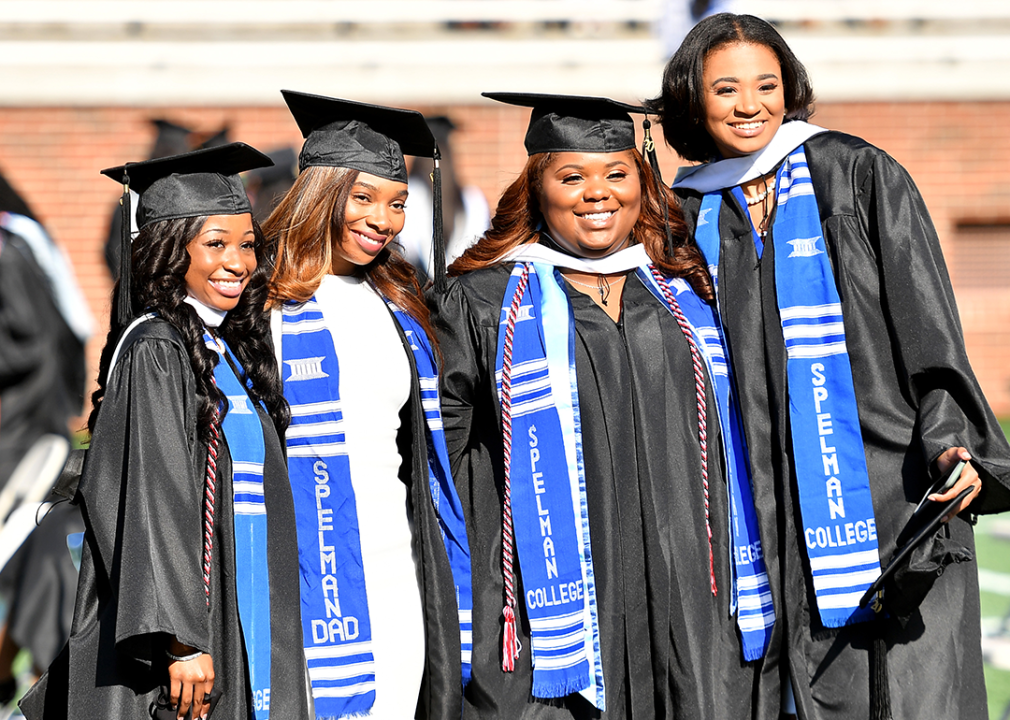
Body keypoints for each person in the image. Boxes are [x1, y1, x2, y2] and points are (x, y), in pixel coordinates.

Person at [651, 13, 1010, 719]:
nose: (748, 104)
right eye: (725, 89)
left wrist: (949, 438)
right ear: (692, 97)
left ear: (791, 89)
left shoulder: (857, 173)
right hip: (752, 499)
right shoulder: (683, 209)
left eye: (766, 85)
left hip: (885, 480)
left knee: (910, 689)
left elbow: (927, 322)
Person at [431, 92, 773, 719]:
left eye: (618, 174)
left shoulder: (686, 290)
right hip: (549, 596)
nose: (598, 192)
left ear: (642, 184)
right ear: (537, 189)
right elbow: (442, 464)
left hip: (691, 591)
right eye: (573, 176)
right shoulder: (484, 301)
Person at [20, 142, 310, 720]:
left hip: (239, 606)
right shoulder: (157, 347)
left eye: (247, 244)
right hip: (185, 638)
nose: (238, 262)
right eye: (216, 244)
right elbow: (154, 496)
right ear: (170, 251)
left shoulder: (222, 350)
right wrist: (183, 641)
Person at [262, 90, 472, 720]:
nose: (384, 219)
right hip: (298, 567)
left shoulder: (403, 303)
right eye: (365, 197)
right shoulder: (255, 304)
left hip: (395, 569)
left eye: (399, 202)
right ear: (322, 192)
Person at [397, 115, 490, 283]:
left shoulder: (408, 195)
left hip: (417, 288)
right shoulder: (472, 199)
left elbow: (405, 248)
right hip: (461, 289)